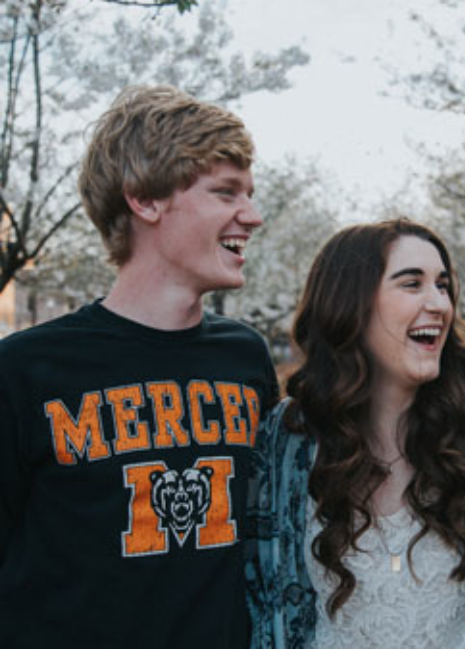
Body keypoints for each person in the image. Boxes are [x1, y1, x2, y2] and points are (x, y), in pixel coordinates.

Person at [0, 85, 279, 647]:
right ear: (144, 200)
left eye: (249, 193)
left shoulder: (245, 357)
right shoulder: (24, 370)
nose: (252, 215)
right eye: (226, 193)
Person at [246, 219, 465, 648]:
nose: (439, 303)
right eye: (412, 284)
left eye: (442, 286)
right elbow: (265, 602)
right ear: (351, 304)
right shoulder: (289, 440)